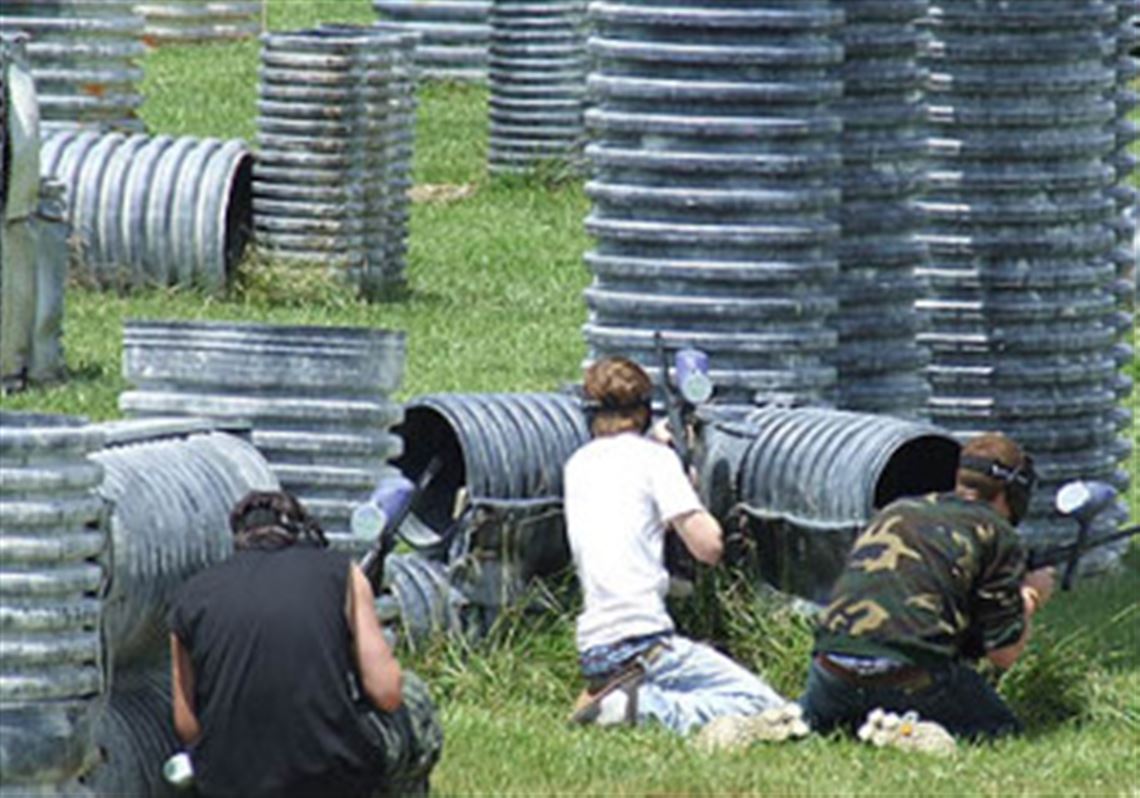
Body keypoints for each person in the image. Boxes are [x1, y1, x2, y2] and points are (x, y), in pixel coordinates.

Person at [563, 355, 793, 734]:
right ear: (643, 411)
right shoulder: (655, 462)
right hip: (644, 643)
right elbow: (709, 547)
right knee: (765, 706)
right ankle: (640, 707)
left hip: (595, 650)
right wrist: (686, 486)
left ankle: (617, 697)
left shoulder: (578, 465)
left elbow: (627, 514)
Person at [169, 490, 443, 797]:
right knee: (414, 697)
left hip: (227, 785)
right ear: (299, 533)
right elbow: (387, 692)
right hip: (332, 780)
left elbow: (187, 726)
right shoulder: (342, 573)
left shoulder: (189, 597)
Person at [799, 432, 1056, 742]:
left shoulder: (897, 510)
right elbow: (1003, 655)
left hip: (830, 672)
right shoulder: (998, 533)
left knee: (825, 728)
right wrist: (1031, 595)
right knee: (1000, 731)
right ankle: (910, 730)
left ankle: (815, 723)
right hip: (907, 678)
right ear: (1015, 491)